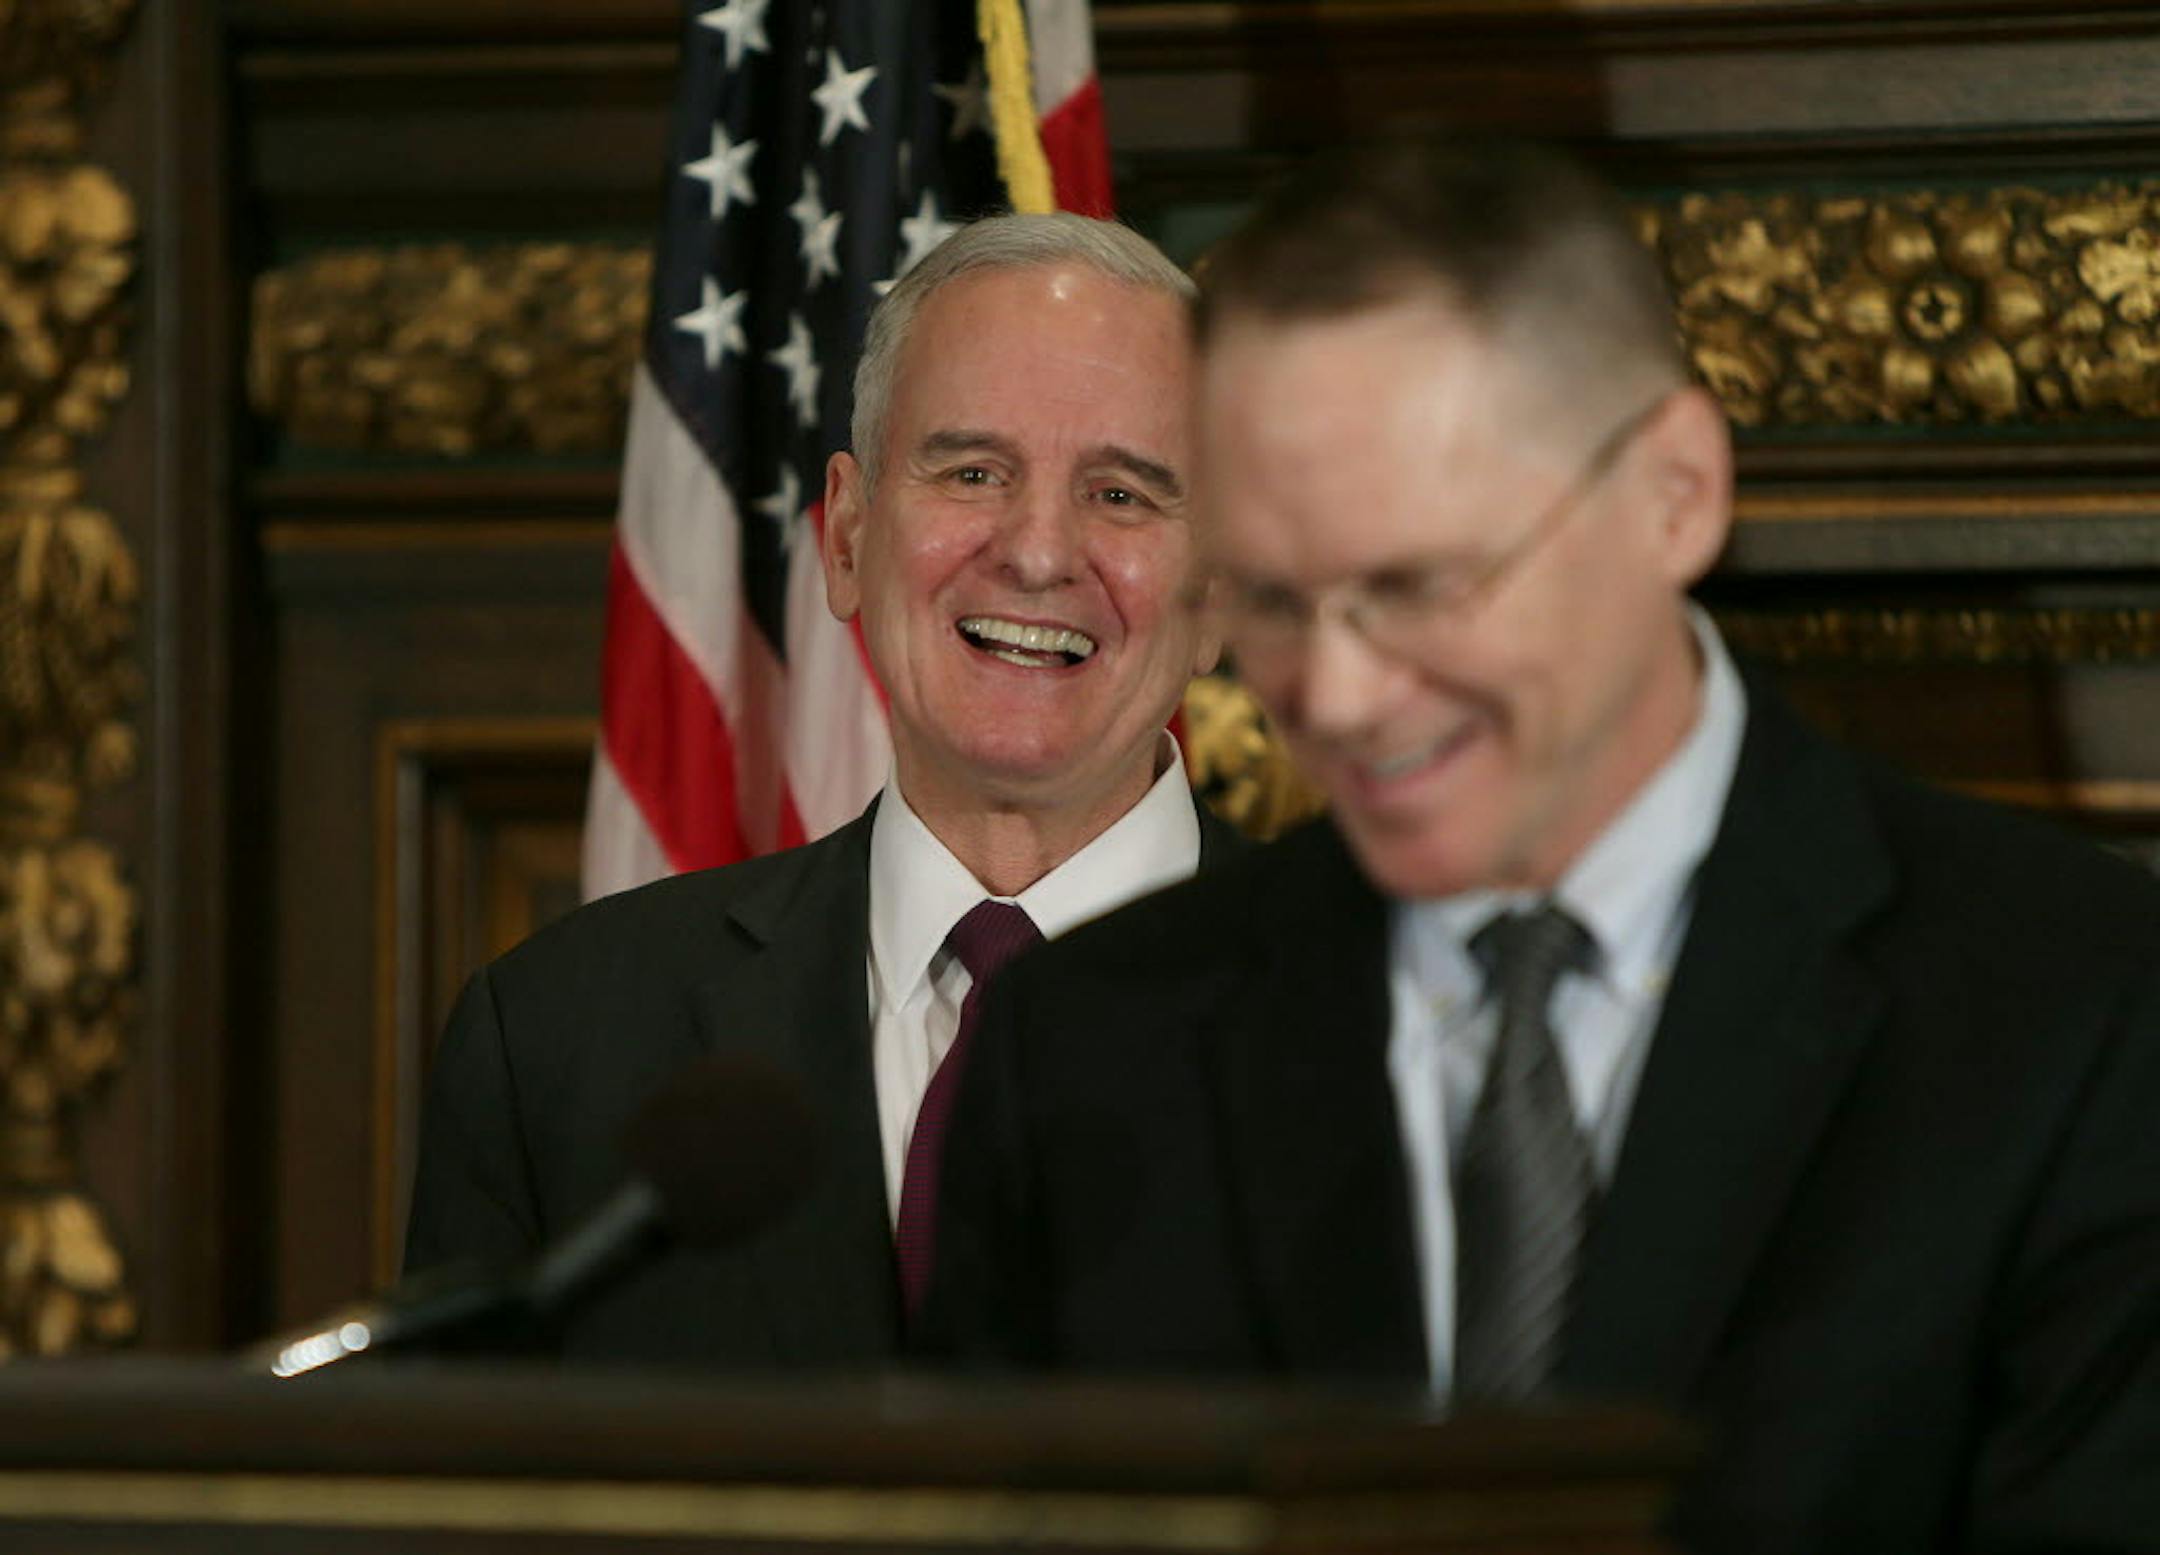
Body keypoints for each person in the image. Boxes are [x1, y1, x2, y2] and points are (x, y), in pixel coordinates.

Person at [923, 141, 2160, 1552]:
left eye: (1417, 584)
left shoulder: (2078, 1016)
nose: (1334, 693)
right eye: (1270, 597)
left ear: (1675, 491)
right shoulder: (1091, 1041)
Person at [403, 212, 1237, 1368]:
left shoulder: (1405, 1023)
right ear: (846, 537)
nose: (1039, 551)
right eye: (973, 470)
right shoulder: (557, 1039)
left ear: (1228, 588)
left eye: (1124, 495)